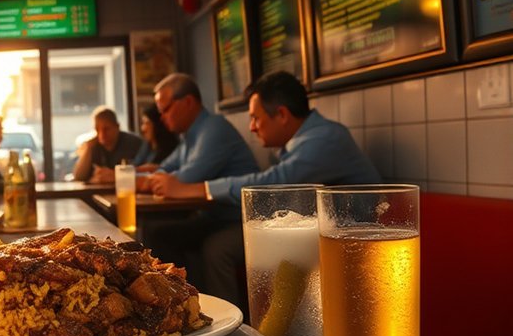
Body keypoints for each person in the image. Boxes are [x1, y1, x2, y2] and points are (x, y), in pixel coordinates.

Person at [152, 71, 381, 307]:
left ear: (281, 114)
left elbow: (275, 183)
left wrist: (200, 189)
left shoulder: (326, 139)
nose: (251, 127)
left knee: (218, 247)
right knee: (199, 239)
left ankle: (230, 331)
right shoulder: (306, 140)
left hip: (357, 241)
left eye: (255, 118)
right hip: (325, 233)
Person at [137, 73, 259, 291]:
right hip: (213, 216)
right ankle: (177, 299)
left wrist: (154, 180)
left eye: (165, 109)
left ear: (188, 102)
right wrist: (154, 178)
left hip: (239, 218)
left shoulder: (214, 129)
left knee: (209, 246)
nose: (162, 118)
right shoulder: (188, 137)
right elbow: (165, 169)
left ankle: (211, 311)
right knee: (157, 233)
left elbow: (182, 181)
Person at [72, 107, 143, 183]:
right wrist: (88, 148)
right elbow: (79, 176)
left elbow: (143, 174)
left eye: (106, 129)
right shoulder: (94, 146)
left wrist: (113, 176)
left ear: (117, 127)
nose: (102, 134)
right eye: (97, 129)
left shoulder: (133, 143)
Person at [133, 104, 179, 172]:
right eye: (142, 123)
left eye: (147, 123)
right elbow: (136, 165)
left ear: (158, 125)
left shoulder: (171, 148)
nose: (143, 128)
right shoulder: (147, 144)